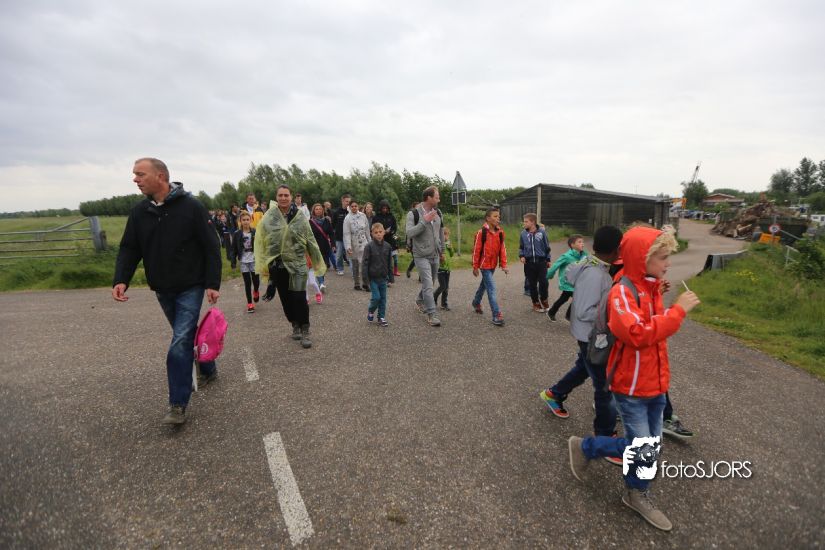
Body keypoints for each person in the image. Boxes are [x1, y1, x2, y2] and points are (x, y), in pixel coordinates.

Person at [567, 225, 701, 532]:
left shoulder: (648, 287)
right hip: (631, 387)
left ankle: (621, 478)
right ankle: (625, 483)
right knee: (643, 446)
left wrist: (658, 294)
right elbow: (637, 333)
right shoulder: (621, 292)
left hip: (655, 384)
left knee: (651, 446)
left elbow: (651, 323)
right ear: (642, 258)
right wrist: (677, 312)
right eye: (663, 257)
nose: (668, 264)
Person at [112, 158, 222, 425]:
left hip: (191, 285)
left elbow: (211, 245)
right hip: (162, 287)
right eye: (135, 174)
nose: (135, 179)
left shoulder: (191, 207)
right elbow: (129, 248)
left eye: (140, 174)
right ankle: (208, 367)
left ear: (160, 176)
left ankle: (177, 404)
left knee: (180, 341)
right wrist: (121, 279)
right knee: (185, 336)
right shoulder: (140, 212)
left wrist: (212, 283)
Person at [539, 226, 624, 465]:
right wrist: (615, 312)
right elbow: (586, 311)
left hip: (587, 334)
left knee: (583, 368)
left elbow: (570, 278)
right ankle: (605, 438)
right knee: (605, 386)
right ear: (617, 250)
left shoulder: (591, 263)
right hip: (591, 336)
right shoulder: (597, 275)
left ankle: (554, 394)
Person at [256, 185, 326, 349]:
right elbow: (263, 239)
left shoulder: (299, 216)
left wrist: (315, 259)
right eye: (280, 195)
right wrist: (266, 265)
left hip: (298, 263)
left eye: (286, 195)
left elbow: (309, 238)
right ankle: (294, 324)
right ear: (276, 197)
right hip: (279, 264)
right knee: (286, 298)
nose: (283, 198)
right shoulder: (270, 217)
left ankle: (305, 329)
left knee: (299, 297)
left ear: (291, 197)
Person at [405, 188, 445, 327]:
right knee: (428, 285)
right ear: (429, 198)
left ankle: (419, 300)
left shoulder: (438, 212)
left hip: (435, 254)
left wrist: (442, 252)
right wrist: (424, 221)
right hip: (421, 255)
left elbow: (440, 233)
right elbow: (410, 233)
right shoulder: (413, 213)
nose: (439, 200)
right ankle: (432, 314)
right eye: (437, 197)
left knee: (431, 282)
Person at [471, 208, 509, 326]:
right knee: (491, 288)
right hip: (484, 265)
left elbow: (502, 249)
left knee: (484, 285)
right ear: (488, 218)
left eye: (498, 216)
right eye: (495, 216)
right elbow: (476, 250)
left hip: (493, 265)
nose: (498, 218)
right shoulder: (481, 233)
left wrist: (503, 264)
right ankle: (496, 315)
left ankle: (476, 302)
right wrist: (475, 266)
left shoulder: (500, 233)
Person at [546, 234, 587, 321]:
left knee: (568, 298)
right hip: (567, 283)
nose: (582, 244)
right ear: (572, 245)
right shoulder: (566, 256)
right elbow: (555, 266)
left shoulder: (584, 256)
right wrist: (549, 275)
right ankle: (565, 315)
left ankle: (555, 313)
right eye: (579, 242)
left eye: (583, 242)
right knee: (571, 298)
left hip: (577, 282)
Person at [362, 222, 395, 326]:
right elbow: (365, 264)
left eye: (380, 232)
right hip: (373, 278)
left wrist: (391, 277)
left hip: (383, 278)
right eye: (376, 232)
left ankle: (381, 317)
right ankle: (371, 310)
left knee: (383, 299)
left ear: (384, 232)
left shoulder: (388, 246)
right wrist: (365, 280)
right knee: (376, 297)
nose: (378, 234)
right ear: (372, 234)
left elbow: (390, 263)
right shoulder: (368, 247)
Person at [518, 213, 551, 312]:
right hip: (529, 263)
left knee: (544, 282)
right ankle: (535, 303)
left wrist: (548, 259)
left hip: (541, 262)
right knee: (532, 284)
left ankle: (544, 299)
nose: (524, 223)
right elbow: (521, 247)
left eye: (526, 221)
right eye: (524, 221)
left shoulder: (542, 232)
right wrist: (522, 256)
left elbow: (547, 247)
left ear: (532, 222)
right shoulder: (523, 234)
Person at [229, 211, 260, 313]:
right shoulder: (237, 234)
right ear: (240, 221)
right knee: (247, 283)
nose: (246, 222)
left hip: (254, 260)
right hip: (243, 261)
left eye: (247, 219)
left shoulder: (255, 232)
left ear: (250, 220)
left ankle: (256, 291)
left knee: (256, 281)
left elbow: (260, 245)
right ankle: (250, 303)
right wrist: (233, 261)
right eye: (243, 220)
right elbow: (233, 249)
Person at [343, 200, 371, 291]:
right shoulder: (347, 218)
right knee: (355, 265)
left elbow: (367, 230)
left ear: (358, 207)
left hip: (364, 242)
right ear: (350, 207)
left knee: (365, 264)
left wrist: (370, 242)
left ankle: (366, 283)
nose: (354, 208)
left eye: (356, 206)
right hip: (353, 243)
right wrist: (348, 246)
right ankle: (357, 283)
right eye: (352, 206)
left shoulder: (363, 216)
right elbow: (346, 233)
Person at [309, 203, 333, 294]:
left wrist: (333, 244)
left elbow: (331, 233)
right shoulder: (310, 222)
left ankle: (320, 281)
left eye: (320, 209)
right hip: (315, 248)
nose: (318, 210)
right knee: (318, 265)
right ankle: (321, 283)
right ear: (313, 211)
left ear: (322, 210)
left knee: (325, 266)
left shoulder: (326, 221)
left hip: (325, 247)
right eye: (316, 209)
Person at [372, 200, 400, 277]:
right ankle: (385, 273)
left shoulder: (391, 216)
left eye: (386, 208)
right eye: (383, 208)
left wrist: (390, 231)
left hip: (391, 239)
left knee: (395, 257)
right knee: (384, 258)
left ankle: (395, 271)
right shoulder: (376, 217)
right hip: (381, 240)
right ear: (380, 208)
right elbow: (374, 228)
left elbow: (394, 228)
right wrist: (382, 232)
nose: (385, 210)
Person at [433, 226, 454, 310]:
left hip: (447, 269)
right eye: (444, 234)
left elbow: (452, 254)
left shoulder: (448, 244)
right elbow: (436, 255)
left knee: (446, 288)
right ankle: (434, 297)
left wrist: (450, 248)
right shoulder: (439, 245)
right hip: (440, 269)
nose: (446, 237)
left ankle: (444, 304)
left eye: (447, 235)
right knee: (443, 286)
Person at [332, 194, 351, 275]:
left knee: (351, 255)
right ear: (342, 201)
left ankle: (353, 271)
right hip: (339, 237)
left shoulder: (351, 211)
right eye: (346, 201)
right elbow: (333, 225)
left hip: (350, 237)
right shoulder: (336, 212)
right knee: (339, 254)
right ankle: (340, 268)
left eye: (349, 201)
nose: (348, 203)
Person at [405, 201, 420, 278]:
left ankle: (421, 276)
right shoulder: (411, 216)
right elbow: (408, 232)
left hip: (420, 241)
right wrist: (408, 244)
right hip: (412, 241)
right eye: (417, 207)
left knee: (420, 258)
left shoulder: (421, 216)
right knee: (416, 258)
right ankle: (409, 269)